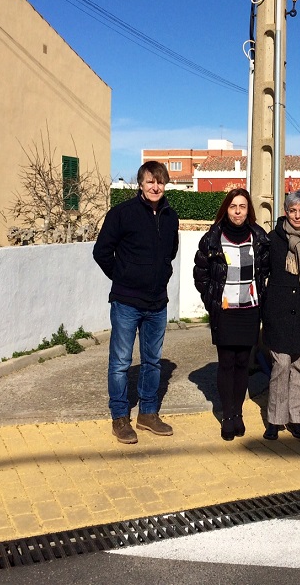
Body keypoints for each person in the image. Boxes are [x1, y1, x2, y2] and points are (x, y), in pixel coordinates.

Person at [93, 161, 179, 445]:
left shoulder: (170, 216)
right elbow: (101, 251)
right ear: (140, 184)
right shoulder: (122, 214)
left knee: (152, 362)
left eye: (160, 182)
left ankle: (148, 414)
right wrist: (123, 276)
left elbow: (170, 253)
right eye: (150, 181)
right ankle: (120, 417)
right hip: (126, 302)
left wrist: (161, 274)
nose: (155, 187)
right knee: (120, 362)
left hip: (157, 303)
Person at [193, 189, 270, 441]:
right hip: (225, 312)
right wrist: (212, 300)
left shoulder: (258, 238)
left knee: (242, 364)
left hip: (249, 310)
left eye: (243, 206)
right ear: (226, 209)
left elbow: (265, 271)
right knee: (226, 363)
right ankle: (227, 416)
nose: (238, 211)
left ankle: (238, 412)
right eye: (233, 206)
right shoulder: (212, 239)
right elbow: (200, 274)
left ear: (249, 210)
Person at [261, 190, 300, 441]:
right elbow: (263, 272)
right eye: (293, 210)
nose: (297, 215)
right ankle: (275, 419)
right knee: (281, 365)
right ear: (285, 212)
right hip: (278, 312)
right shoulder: (273, 239)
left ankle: (296, 418)